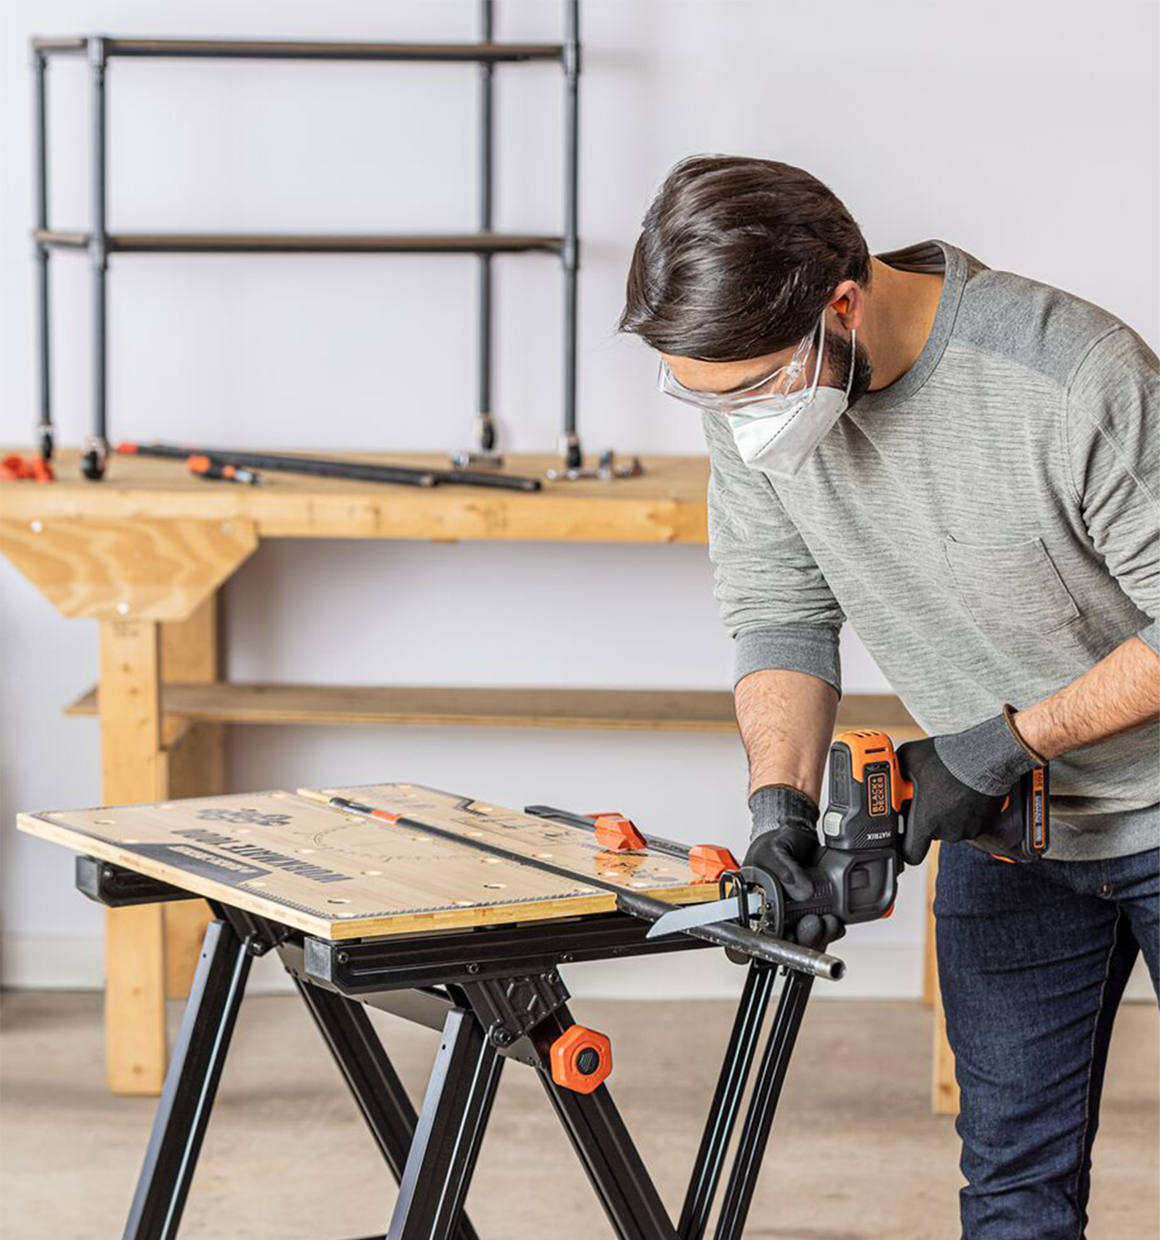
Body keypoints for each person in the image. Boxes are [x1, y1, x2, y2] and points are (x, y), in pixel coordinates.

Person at [619, 155, 1160, 1240]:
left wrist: (997, 745)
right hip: (1013, 836)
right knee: (1010, 1185)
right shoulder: (751, 402)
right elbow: (777, 609)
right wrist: (777, 804)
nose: (736, 422)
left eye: (753, 387)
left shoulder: (1068, 376)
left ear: (842, 302)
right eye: (703, 397)